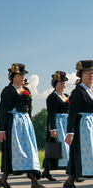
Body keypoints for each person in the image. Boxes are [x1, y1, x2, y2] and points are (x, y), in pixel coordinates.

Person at [0, 63, 45, 188]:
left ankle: (32, 182)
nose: (23, 77)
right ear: (13, 76)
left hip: (26, 123)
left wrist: (30, 121)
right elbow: (2, 110)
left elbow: (29, 109)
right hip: (13, 124)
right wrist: (1, 130)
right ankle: (33, 182)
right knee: (15, 151)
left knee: (29, 150)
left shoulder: (26, 90)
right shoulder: (8, 91)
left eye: (24, 75)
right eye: (20, 75)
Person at [64, 60, 93, 188]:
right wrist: (70, 132)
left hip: (91, 125)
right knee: (85, 153)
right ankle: (70, 181)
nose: (91, 75)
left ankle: (70, 181)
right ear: (81, 75)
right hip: (83, 128)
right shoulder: (78, 92)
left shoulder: (91, 90)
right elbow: (72, 113)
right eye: (88, 73)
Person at [42, 71, 69, 181]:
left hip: (66, 123)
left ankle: (46, 171)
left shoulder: (66, 96)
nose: (63, 86)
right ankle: (73, 173)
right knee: (57, 147)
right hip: (58, 124)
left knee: (67, 146)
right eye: (61, 83)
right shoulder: (52, 97)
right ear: (55, 84)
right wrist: (53, 129)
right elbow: (51, 114)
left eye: (64, 83)